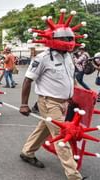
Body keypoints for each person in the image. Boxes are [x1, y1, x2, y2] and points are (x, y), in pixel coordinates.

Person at [19, 9, 85, 180]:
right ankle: (73, 175)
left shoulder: (68, 57)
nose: (69, 41)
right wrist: (24, 104)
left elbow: (71, 78)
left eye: (70, 38)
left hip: (64, 103)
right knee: (62, 135)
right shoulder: (42, 58)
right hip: (49, 102)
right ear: (54, 39)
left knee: (44, 128)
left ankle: (27, 152)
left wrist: (78, 94)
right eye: (65, 38)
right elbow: (27, 80)